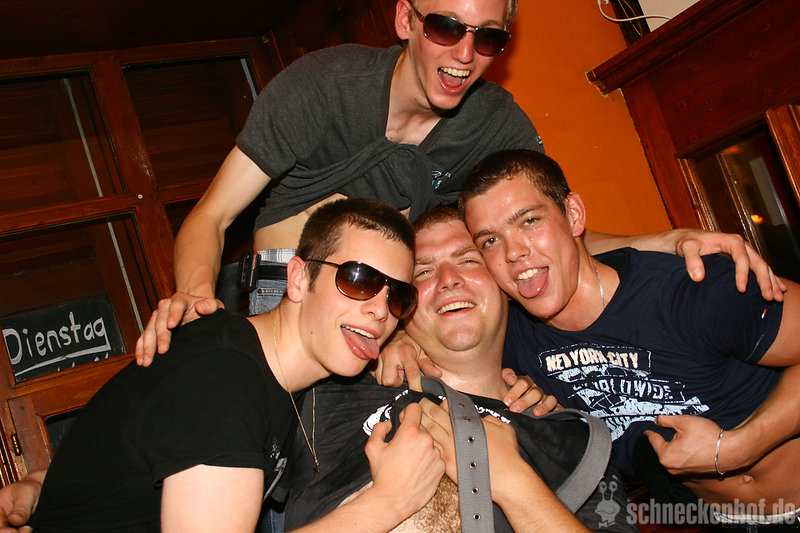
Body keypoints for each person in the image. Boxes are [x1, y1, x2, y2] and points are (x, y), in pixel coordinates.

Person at [137, 0, 782, 361]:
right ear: (405, 21)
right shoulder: (323, 87)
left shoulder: (495, 127)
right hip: (282, 298)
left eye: (489, 37)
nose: (465, 54)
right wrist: (194, 299)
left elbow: (549, 241)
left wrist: (665, 240)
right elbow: (211, 217)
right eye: (446, 27)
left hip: (395, 313)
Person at [4, 198, 446, 533]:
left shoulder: (266, 370)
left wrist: (41, 484)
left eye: (398, 296)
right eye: (359, 279)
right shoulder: (225, 382)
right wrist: (387, 502)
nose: (380, 310)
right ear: (297, 278)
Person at [456, 149, 800, 515]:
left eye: (529, 221)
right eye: (490, 240)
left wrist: (742, 446)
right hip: (722, 518)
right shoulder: (513, 343)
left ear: (573, 215)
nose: (513, 252)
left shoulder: (690, 290)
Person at [282, 205, 635, 532]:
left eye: (468, 260)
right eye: (423, 271)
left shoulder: (575, 441)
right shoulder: (331, 382)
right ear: (402, 299)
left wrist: (517, 484)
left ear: (505, 284)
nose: (448, 279)